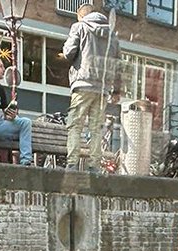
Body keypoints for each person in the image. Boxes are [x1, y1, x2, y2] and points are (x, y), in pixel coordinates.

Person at [62, 3, 121, 171]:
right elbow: (118, 65)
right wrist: (116, 90)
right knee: (96, 128)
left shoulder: (79, 27)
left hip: (83, 84)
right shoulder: (112, 36)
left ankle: (72, 163)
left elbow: (69, 53)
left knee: (75, 125)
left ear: (80, 16)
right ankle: (94, 166)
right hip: (102, 88)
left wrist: (66, 48)